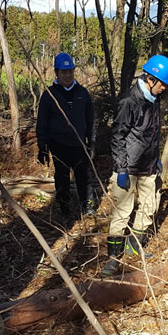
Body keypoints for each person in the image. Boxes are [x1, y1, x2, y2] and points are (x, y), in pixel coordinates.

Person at [101, 55, 168, 277]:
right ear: (150, 78)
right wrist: (121, 168)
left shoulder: (154, 100)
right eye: (162, 83)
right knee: (123, 212)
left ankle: (136, 245)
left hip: (149, 166)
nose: (164, 88)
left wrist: (156, 158)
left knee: (149, 207)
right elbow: (117, 136)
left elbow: (150, 133)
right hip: (129, 168)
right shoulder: (129, 101)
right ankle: (113, 258)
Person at [36, 52, 96, 218]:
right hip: (59, 145)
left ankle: (87, 207)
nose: (68, 75)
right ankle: (64, 208)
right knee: (62, 179)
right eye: (64, 72)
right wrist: (42, 147)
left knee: (84, 178)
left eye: (70, 71)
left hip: (79, 145)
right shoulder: (49, 95)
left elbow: (90, 119)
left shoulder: (82, 93)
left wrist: (92, 142)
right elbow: (42, 122)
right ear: (57, 72)